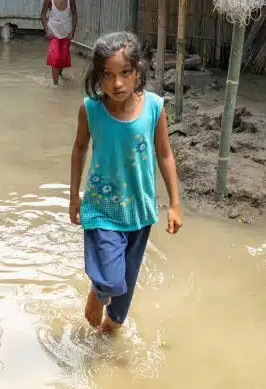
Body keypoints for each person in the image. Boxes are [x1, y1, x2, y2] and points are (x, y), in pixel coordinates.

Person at [69, 32, 183, 333]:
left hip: (140, 211)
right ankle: (97, 292)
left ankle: (105, 339)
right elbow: (79, 148)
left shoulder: (155, 108)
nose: (117, 83)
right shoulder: (91, 109)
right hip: (102, 209)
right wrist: (73, 198)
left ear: (137, 72)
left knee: (122, 301)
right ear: (98, 77)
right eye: (108, 75)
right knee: (112, 280)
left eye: (124, 73)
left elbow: (165, 154)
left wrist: (174, 204)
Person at [40, 0, 78, 86]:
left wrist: (73, 30)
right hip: (53, 33)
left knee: (62, 59)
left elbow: (74, 14)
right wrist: (46, 30)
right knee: (55, 58)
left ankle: (59, 74)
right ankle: (56, 85)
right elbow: (42, 15)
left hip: (66, 32)